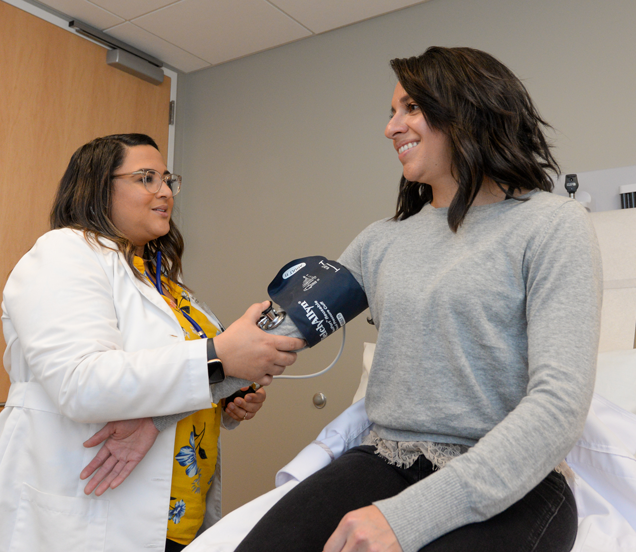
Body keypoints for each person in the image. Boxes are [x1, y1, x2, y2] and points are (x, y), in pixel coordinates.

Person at [234, 47, 603, 552]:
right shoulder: (380, 241)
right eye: (391, 112)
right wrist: (178, 400)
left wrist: (406, 519)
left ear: (467, 109)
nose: (391, 128)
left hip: (513, 480)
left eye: (410, 107)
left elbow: (559, 407)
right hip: (385, 459)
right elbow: (268, 338)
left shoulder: (553, 226)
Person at [0, 133, 304, 552]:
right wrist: (219, 358)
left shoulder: (166, 284)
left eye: (167, 179)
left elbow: (180, 376)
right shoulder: (64, 253)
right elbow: (82, 381)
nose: (164, 192)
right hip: (85, 499)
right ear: (97, 189)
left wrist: (228, 396)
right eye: (146, 178)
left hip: (173, 507)